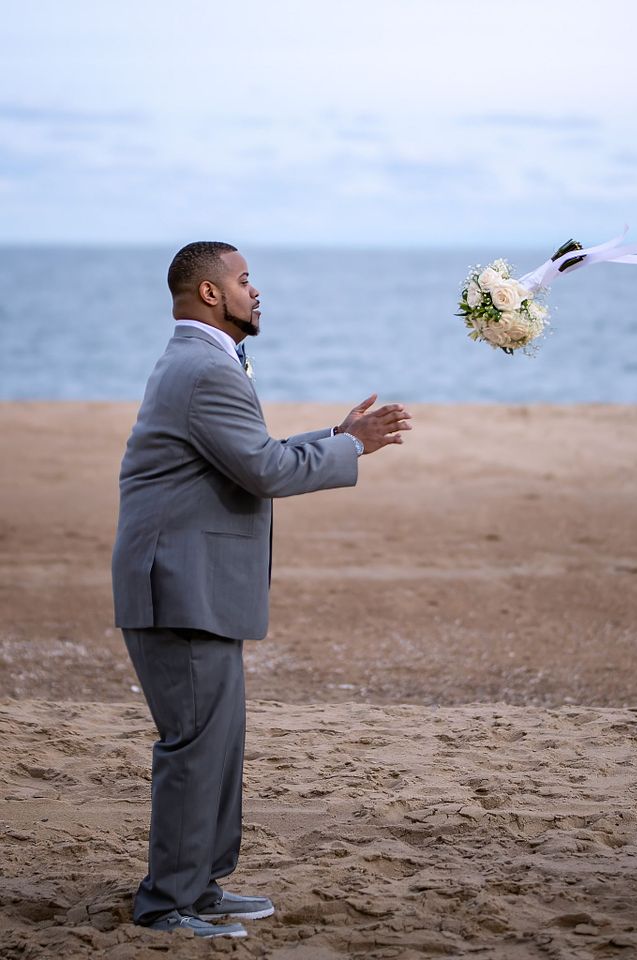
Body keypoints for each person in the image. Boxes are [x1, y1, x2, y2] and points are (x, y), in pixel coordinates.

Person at [112, 241, 412, 939]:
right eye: (245, 280)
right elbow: (266, 470)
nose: (256, 291)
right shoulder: (203, 368)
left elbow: (251, 455)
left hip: (196, 585)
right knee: (195, 747)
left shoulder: (203, 361)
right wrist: (353, 446)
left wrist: (335, 435)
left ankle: (201, 887)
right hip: (179, 585)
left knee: (218, 745)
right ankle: (167, 903)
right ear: (210, 293)